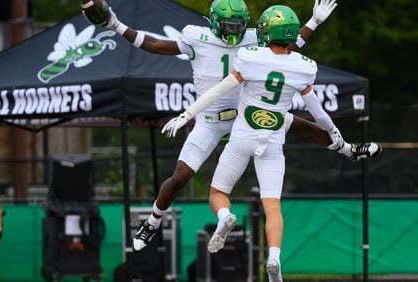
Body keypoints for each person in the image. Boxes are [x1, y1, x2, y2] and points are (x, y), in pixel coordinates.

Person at [83, 0, 382, 253]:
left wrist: (313, 22)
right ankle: (153, 221)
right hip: (211, 119)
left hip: (245, 115)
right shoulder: (196, 38)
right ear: (213, 23)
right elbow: (155, 44)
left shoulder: (255, 39)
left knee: (298, 123)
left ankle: (348, 149)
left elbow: (286, 47)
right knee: (181, 176)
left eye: (239, 26)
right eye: (229, 27)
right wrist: (116, 25)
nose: (235, 33)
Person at [161, 4, 368, 281]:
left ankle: (225, 217)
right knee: (272, 207)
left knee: (218, 194)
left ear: (266, 32)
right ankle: (274, 257)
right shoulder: (302, 66)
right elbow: (318, 111)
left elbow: (218, 90)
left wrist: (186, 115)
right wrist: (335, 134)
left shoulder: (250, 56)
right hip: (273, 139)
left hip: (243, 134)